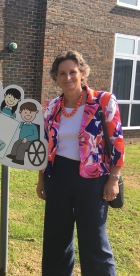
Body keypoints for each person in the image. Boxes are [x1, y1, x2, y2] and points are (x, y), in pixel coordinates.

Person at [36, 51, 124, 276]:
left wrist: (113, 179)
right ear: (55, 77)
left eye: (72, 72)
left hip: (93, 179)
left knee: (94, 239)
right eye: (62, 73)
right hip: (58, 176)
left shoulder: (103, 101)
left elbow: (117, 142)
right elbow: (46, 145)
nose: (67, 77)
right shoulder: (52, 107)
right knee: (56, 238)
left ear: (82, 73)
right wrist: (41, 179)